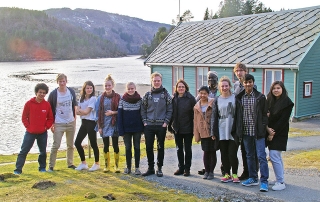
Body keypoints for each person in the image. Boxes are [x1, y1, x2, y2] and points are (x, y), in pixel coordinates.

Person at [233, 74, 269, 192]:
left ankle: (264, 181)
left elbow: (265, 114)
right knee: (249, 155)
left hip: (258, 132)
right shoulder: (239, 98)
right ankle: (253, 178)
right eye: (246, 82)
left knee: (261, 156)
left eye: (250, 82)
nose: (248, 84)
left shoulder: (260, 97)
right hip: (245, 132)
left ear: (253, 82)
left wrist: (263, 126)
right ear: (242, 84)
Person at [14, 83, 54, 174]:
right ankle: (18, 169)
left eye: (44, 93)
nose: (42, 94)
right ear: (36, 92)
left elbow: (50, 118)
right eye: (40, 92)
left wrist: (46, 127)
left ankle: (42, 168)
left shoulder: (47, 105)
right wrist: (28, 127)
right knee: (24, 151)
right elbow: (24, 117)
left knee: (43, 152)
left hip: (42, 133)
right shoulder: (29, 103)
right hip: (30, 132)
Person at [141, 72, 173, 177]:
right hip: (149, 126)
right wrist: (145, 122)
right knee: (149, 147)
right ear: (152, 81)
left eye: (158, 80)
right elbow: (143, 109)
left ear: (161, 81)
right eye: (155, 80)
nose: (156, 82)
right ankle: (151, 168)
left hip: (161, 126)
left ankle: (159, 168)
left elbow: (170, 110)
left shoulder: (166, 95)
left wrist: (166, 122)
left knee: (160, 147)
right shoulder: (147, 95)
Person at [211, 76, 240, 183]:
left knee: (232, 154)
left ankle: (235, 174)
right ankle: (227, 174)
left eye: (226, 86)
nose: (224, 88)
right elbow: (214, 116)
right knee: (224, 154)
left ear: (230, 86)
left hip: (233, 130)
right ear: (219, 87)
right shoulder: (217, 100)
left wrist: (239, 131)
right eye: (222, 86)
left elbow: (239, 115)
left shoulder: (235, 98)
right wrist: (213, 132)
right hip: (221, 130)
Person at [266, 81, 294, 191]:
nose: (276, 90)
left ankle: (280, 181)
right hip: (270, 132)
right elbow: (267, 116)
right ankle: (280, 178)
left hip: (280, 133)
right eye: (274, 88)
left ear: (282, 89)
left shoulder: (287, 102)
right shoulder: (270, 101)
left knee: (274, 155)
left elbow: (283, 121)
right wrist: (268, 131)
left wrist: (272, 134)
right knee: (277, 156)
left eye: (278, 88)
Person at [233, 62, 258, 180]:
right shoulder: (236, 85)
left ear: (245, 71)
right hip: (240, 122)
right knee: (243, 149)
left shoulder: (251, 84)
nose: (239, 73)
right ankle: (246, 171)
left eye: (241, 70)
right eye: (237, 71)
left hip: (251, 122)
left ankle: (252, 172)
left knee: (251, 151)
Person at [48, 74, 77, 171]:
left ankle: (70, 163)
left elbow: (74, 105)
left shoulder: (71, 91)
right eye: (60, 81)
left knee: (70, 145)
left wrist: (75, 119)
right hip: (58, 122)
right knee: (56, 145)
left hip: (70, 122)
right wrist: (52, 123)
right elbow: (49, 109)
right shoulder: (53, 94)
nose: (62, 83)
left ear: (66, 81)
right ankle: (51, 166)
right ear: (57, 82)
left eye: (63, 81)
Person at [169, 79, 196, 177]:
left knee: (188, 149)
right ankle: (181, 168)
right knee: (179, 149)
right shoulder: (174, 98)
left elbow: (195, 114)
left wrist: (194, 128)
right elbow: (171, 113)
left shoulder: (191, 98)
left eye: (182, 87)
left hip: (188, 128)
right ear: (176, 88)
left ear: (186, 88)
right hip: (177, 128)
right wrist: (170, 125)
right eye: (179, 87)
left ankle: (187, 169)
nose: (181, 88)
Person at [117, 82, 144, 175]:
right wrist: (121, 130)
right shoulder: (122, 100)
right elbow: (119, 116)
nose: (130, 90)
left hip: (137, 128)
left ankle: (137, 168)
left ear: (135, 88)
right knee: (128, 148)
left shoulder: (140, 100)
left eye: (132, 88)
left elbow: (142, 114)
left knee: (137, 147)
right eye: (129, 88)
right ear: (126, 89)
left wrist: (143, 129)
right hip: (126, 129)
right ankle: (128, 167)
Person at [96, 74, 121, 173]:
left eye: (109, 85)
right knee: (105, 145)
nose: (107, 87)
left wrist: (112, 112)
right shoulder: (100, 98)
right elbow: (98, 112)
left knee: (115, 144)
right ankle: (107, 166)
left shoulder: (118, 97)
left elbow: (121, 111)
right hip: (104, 124)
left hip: (114, 123)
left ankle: (116, 166)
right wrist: (99, 126)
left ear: (113, 86)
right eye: (106, 86)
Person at [196, 71, 220, 176]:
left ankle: (214, 170)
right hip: (204, 127)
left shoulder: (220, 91)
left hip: (216, 125)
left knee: (214, 150)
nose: (211, 81)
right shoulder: (203, 92)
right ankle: (207, 169)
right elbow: (196, 107)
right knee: (206, 150)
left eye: (213, 78)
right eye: (209, 79)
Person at [74, 81, 100, 171]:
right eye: (87, 88)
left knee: (93, 144)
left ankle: (97, 163)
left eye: (91, 88)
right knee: (77, 142)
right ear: (84, 89)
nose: (89, 90)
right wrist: (81, 110)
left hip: (91, 122)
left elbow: (86, 112)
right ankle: (83, 163)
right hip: (84, 122)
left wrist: (80, 110)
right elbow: (76, 112)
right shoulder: (81, 99)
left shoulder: (93, 99)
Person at [194, 86, 218, 180]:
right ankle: (206, 171)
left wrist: (215, 132)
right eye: (201, 93)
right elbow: (195, 121)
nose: (203, 95)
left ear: (208, 94)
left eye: (205, 93)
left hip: (212, 131)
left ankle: (211, 172)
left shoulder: (213, 102)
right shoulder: (196, 106)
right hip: (203, 132)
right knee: (206, 152)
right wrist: (196, 134)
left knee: (212, 152)